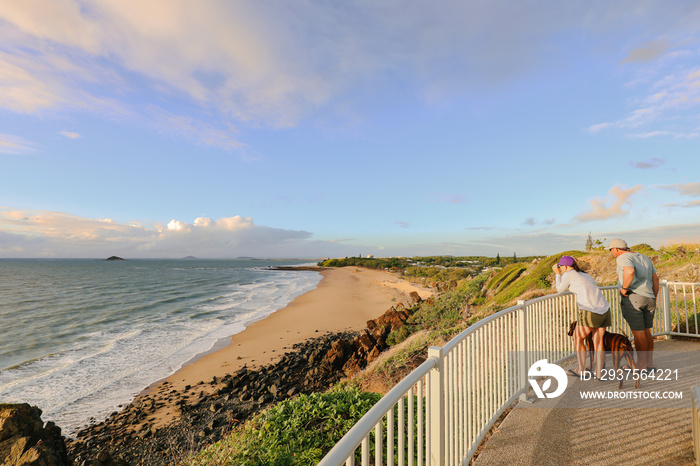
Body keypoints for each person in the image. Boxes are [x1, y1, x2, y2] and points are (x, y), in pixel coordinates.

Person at [553, 256, 611, 379]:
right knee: (598, 341)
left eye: (560, 266)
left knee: (577, 338)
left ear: (566, 266)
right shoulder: (584, 274)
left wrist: (557, 274)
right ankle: (599, 372)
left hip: (590, 310)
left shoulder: (569, 274)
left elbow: (559, 289)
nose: (560, 268)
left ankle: (581, 369)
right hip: (604, 309)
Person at [606, 239, 659, 371]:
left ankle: (640, 366)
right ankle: (649, 364)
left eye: (610, 250)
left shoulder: (623, 257)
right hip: (649, 298)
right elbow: (655, 279)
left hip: (634, 297)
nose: (611, 252)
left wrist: (624, 288)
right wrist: (654, 296)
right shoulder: (644, 257)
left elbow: (629, 271)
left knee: (639, 333)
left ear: (616, 249)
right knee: (647, 332)